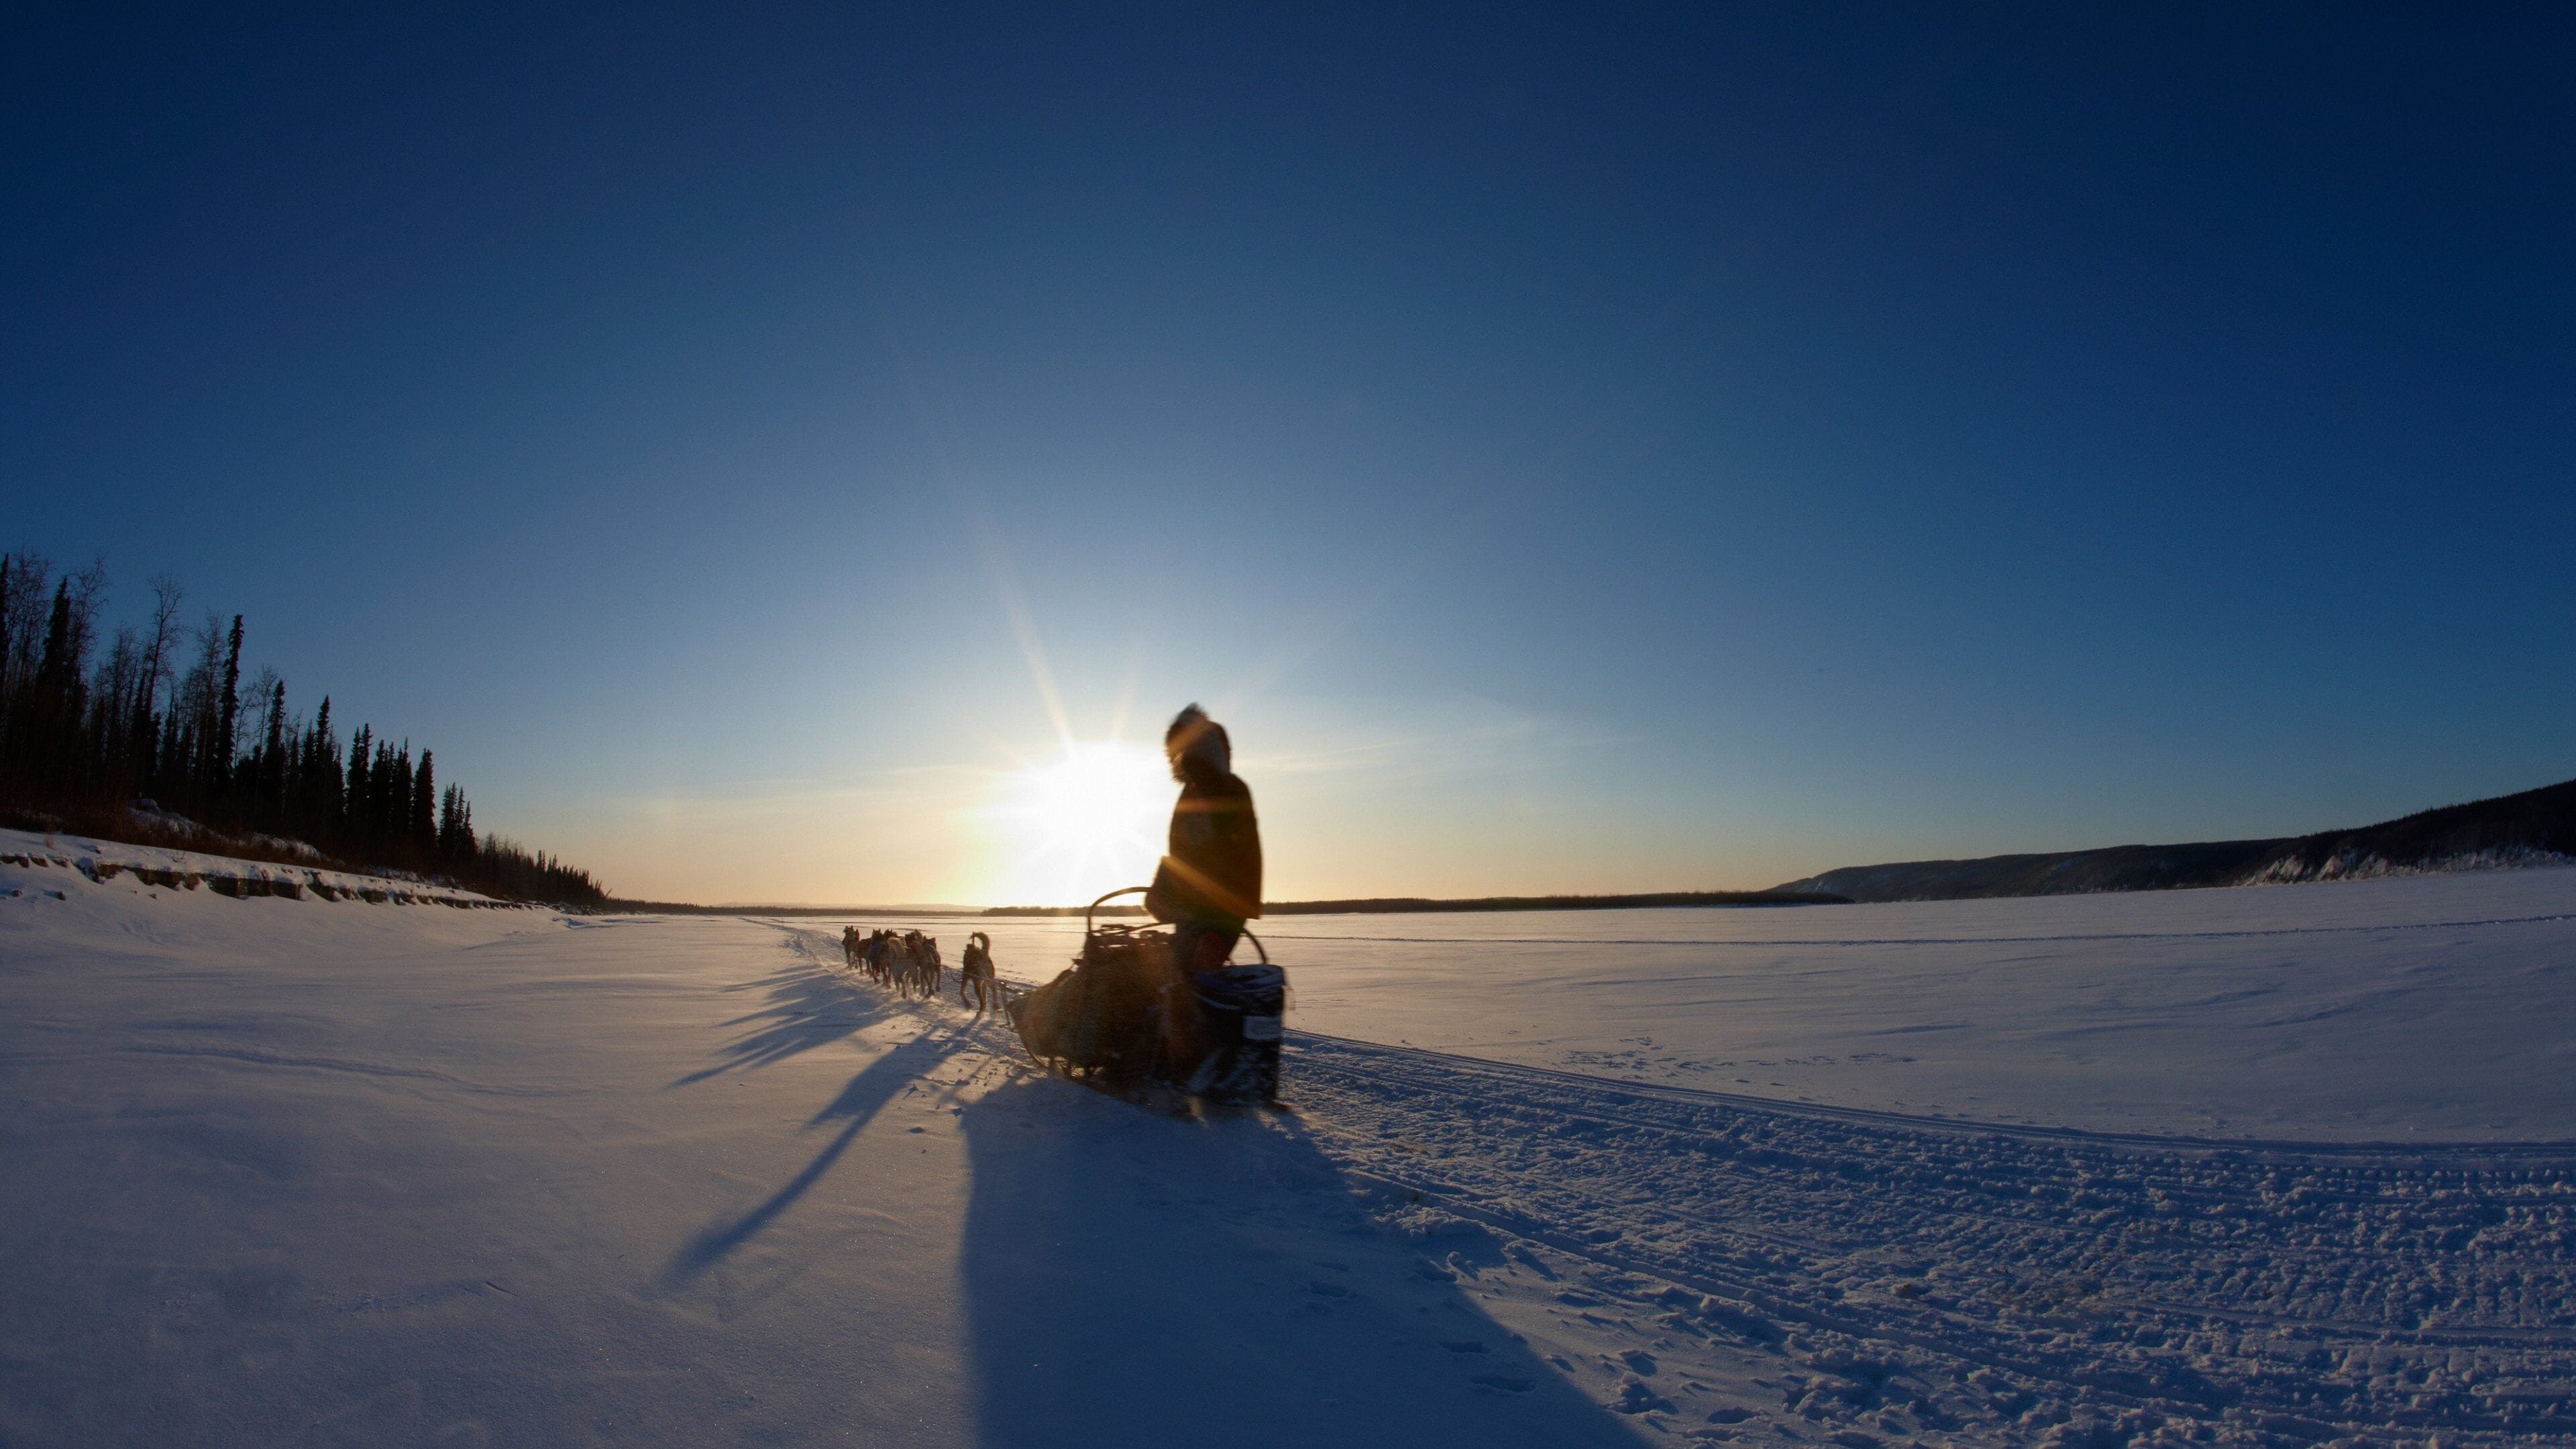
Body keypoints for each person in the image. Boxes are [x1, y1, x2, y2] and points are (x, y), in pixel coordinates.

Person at [1144, 703, 1263, 976]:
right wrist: (1163, 888)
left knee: (1180, 989)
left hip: (1213, 917)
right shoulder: (1198, 789)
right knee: (1168, 986)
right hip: (1197, 912)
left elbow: (1212, 851)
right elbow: (1187, 853)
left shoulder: (1220, 787)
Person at [959, 930, 996, 1014]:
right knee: (986, 985)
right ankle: (990, 1004)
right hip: (983, 967)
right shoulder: (980, 954)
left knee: (979, 987)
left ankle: (984, 1006)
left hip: (974, 970)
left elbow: (965, 966)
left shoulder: (969, 956)